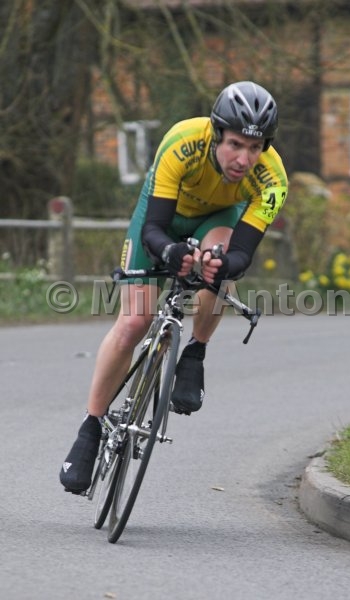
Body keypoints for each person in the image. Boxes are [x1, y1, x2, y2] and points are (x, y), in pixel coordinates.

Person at [60, 80, 288, 494]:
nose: (244, 159)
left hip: (217, 219)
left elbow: (242, 255)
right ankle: (90, 427)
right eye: (235, 144)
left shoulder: (273, 180)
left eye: (255, 148)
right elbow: (153, 229)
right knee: (135, 322)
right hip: (162, 219)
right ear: (217, 134)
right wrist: (169, 252)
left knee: (219, 265)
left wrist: (221, 264)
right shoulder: (183, 141)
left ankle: (195, 352)